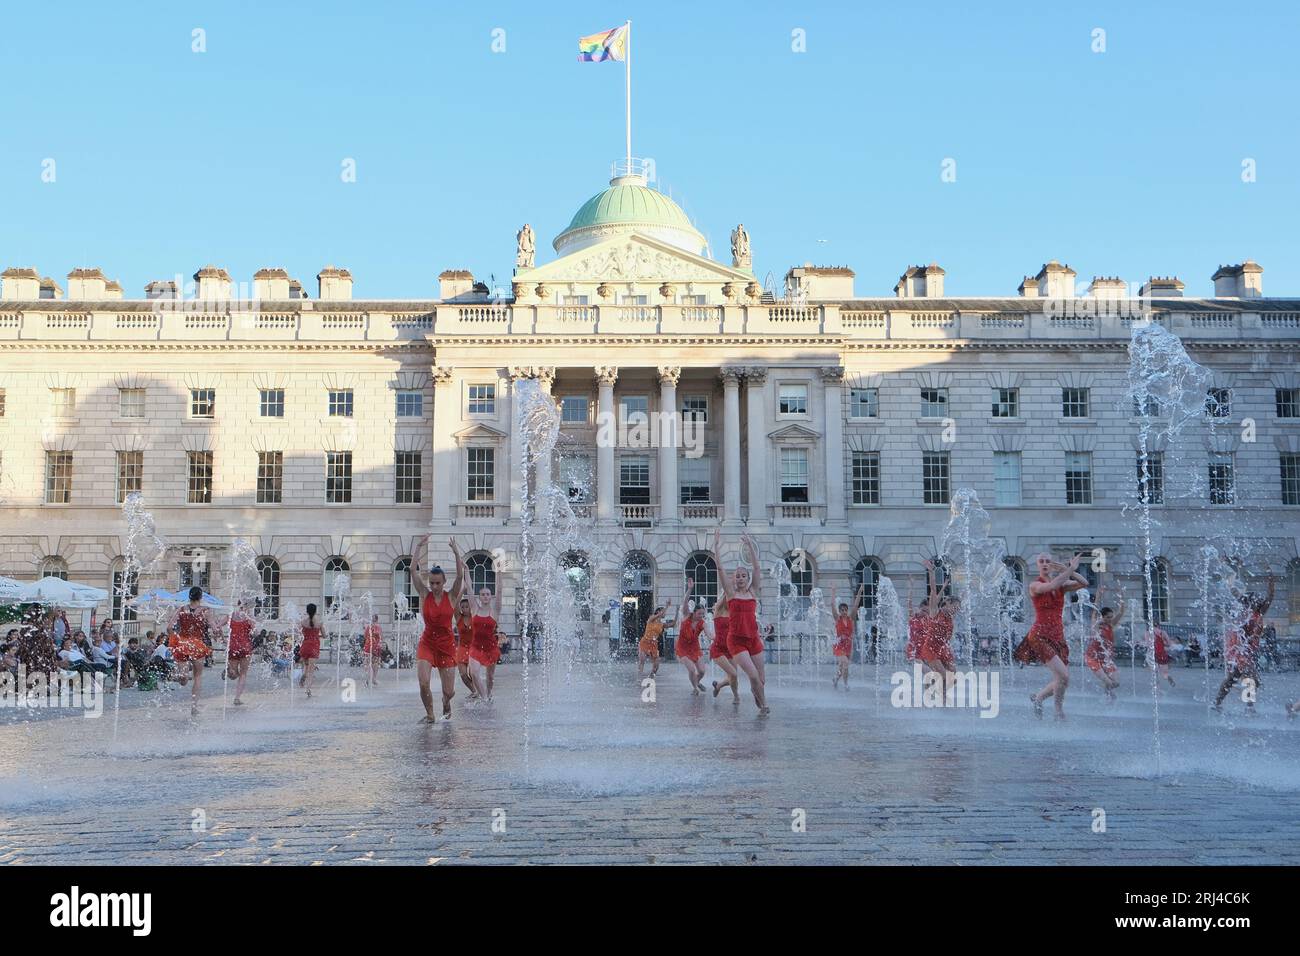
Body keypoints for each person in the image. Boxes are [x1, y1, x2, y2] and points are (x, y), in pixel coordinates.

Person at [1014, 553, 1088, 719]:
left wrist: (1069, 570)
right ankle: (1058, 711)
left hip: (1057, 636)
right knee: (1063, 675)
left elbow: (1084, 583)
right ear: (1037, 565)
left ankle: (1039, 698)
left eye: (1048, 561)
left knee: (1063, 680)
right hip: (1039, 636)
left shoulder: (1062, 585)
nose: (1045, 564)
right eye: (1042, 562)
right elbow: (1051, 586)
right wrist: (1070, 569)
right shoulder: (1034, 585)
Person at [711, 529, 769, 715]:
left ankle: (757, 693)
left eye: (744, 575)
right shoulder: (730, 594)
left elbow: (757, 568)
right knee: (752, 675)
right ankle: (764, 705)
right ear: (733, 580)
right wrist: (716, 546)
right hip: (736, 641)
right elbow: (720, 569)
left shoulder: (753, 592)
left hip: (753, 639)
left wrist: (750, 545)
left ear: (748, 578)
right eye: (737, 576)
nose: (741, 578)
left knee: (761, 678)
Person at [411, 536, 465, 723]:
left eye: (437, 583)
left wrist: (456, 552)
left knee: (449, 691)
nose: (434, 586)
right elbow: (412, 571)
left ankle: (446, 701)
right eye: (432, 583)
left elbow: (460, 577)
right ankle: (430, 715)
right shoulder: (424, 594)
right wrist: (418, 547)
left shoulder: (450, 597)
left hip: (446, 645)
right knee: (424, 682)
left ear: (443, 582)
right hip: (427, 643)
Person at [1214, 563, 1274, 715]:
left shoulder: (1260, 612)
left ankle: (1217, 702)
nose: (1259, 599)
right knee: (1250, 677)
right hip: (1240, 648)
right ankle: (1249, 707)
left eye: (1259, 599)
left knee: (1233, 678)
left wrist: (1271, 578)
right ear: (1250, 601)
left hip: (1247, 650)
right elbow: (1234, 591)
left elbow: (1270, 596)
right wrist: (1228, 578)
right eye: (1256, 598)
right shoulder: (1246, 611)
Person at [170, 586, 212, 715]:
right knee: (198, 677)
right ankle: (194, 706)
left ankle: (182, 676)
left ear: (189, 596)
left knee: (183, 679)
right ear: (200, 597)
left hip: (183, 643)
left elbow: (169, 627)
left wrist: (175, 640)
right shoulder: (205, 610)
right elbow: (214, 627)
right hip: (197, 645)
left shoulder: (181, 609)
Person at [1085, 580, 1123, 700]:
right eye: (1108, 617)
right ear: (1102, 617)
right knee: (1109, 682)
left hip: (1106, 659)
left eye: (1111, 617)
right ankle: (1108, 700)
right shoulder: (1095, 624)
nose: (1110, 619)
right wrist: (1098, 595)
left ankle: (1108, 697)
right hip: (1093, 658)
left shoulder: (1111, 625)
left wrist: (1121, 596)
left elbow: (1121, 612)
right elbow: (1095, 610)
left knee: (1116, 682)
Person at [468, 584, 502, 702]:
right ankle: (484, 698)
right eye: (483, 594)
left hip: (490, 648)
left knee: (490, 677)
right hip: (476, 647)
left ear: (490, 597)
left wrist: (499, 571)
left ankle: (488, 693)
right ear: (479, 597)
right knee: (474, 673)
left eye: (488, 594)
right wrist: (466, 571)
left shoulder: (495, 611)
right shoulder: (475, 609)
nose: (485, 596)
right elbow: (469, 589)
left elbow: (499, 591)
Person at [830, 582, 866, 690]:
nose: (844, 612)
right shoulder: (837, 619)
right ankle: (846, 685)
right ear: (840, 611)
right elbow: (832, 605)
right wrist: (833, 591)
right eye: (842, 610)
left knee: (843, 666)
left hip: (848, 645)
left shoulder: (850, 618)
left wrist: (859, 592)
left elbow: (856, 605)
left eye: (846, 610)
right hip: (839, 645)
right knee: (845, 663)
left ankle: (836, 679)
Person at [674, 579, 707, 694]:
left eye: (703, 614)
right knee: (692, 670)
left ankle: (696, 682)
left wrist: (713, 637)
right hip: (682, 649)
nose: (701, 616)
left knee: (702, 671)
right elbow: (685, 601)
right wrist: (689, 589)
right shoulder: (687, 615)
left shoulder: (702, 623)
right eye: (699, 614)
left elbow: (708, 632)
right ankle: (695, 688)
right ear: (694, 612)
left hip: (695, 648)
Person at [708, 593, 740, 702]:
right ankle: (736, 697)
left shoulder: (733, 613)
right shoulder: (718, 611)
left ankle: (719, 686)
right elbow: (725, 595)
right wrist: (729, 588)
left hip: (730, 648)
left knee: (733, 676)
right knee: (733, 673)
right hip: (718, 649)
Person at [637, 600, 675, 679]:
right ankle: (639, 677)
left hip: (654, 644)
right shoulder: (651, 619)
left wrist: (678, 612)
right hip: (645, 642)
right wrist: (667, 606)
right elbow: (660, 614)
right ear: (658, 612)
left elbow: (673, 624)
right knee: (642, 660)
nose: (664, 613)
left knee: (656, 665)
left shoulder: (661, 624)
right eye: (663, 612)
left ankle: (651, 677)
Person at [227, 602, 254, 706]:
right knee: (243, 674)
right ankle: (237, 698)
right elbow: (255, 632)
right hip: (245, 646)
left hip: (233, 646)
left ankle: (230, 670)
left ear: (238, 604)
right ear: (248, 606)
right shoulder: (249, 617)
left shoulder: (231, 615)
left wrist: (219, 635)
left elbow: (217, 626)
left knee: (233, 674)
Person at [454, 596, 477, 698]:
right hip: (462, 648)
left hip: (473, 648)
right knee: (463, 674)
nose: (464, 609)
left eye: (467, 606)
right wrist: (462, 589)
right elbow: (455, 603)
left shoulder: (475, 617)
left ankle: (478, 690)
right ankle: (474, 691)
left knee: (473, 673)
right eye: (462, 607)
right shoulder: (459, 618)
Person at [298, 603, 323, 698]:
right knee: (311, 670)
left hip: (305, 645)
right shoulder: (319, 623)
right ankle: (308, 688)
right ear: (316, 611)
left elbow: (299, 632)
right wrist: (318, 635)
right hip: (314, 646)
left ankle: (304, 675)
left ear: (307, 611)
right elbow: (324, 635)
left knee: (306, 666)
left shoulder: (303, 622)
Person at [362, 615, 384, 688]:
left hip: (368, 647)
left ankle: (368, 679)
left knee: (367, 664)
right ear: (377, 620)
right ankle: (374, 678)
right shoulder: (379, 627)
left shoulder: (368, 627)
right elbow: (381, 637)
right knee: (375, 664)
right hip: (376, 648)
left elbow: (365, 636)